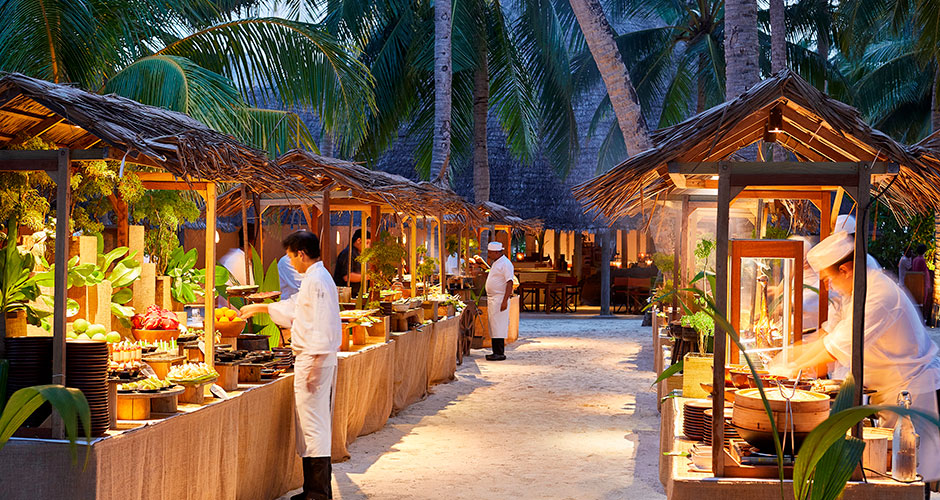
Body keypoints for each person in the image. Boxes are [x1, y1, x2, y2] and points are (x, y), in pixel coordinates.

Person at [768, 231, 940, 484]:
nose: (826, 285)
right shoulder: (858, 290)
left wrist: (788, 366)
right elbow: (829, 335)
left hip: (910, 396)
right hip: (889, 393)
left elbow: (833, 347)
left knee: (909, 479)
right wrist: (790, 357)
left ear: (846, 270)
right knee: (891, 474)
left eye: (827, 278)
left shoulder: (877, 295)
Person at [239, 231, 341, 500]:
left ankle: (318, 493)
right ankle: (313, 489)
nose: (290, 262)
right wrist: (260, 308)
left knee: (314, 426)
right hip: (313, 358)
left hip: (314, 358)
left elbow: (319, 325)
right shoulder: (316, 278)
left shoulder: (317, 280)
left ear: (301, 254)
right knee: (311, 425)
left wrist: (316, 366)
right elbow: (297, 308)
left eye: (290, 256)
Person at [484, 241, 514, 361]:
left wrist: (505, 300)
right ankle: (495, 351)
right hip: (493, 298)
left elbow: (509, 282)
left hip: (499, 298)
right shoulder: (496, 262)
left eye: (491, 253)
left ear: (497, 252)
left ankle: (500, 352)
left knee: (499, 326)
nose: (489, 255)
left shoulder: (506, 264)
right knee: (494, 326)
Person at [334, 229, 370, 297]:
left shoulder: (357, 253)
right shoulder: (348, 253)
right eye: (367, 243)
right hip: (347, 296)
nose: (368, 246)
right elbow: (347, 277)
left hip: (356, 294)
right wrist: (367, 276)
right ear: (359, 240)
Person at [911, 243, 933, 319]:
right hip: (922, 283)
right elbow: (922, 273)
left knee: (917, 301)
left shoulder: (915, 259)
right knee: (923, 301)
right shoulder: (921, 260)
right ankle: (921, 317)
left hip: (915, 282)